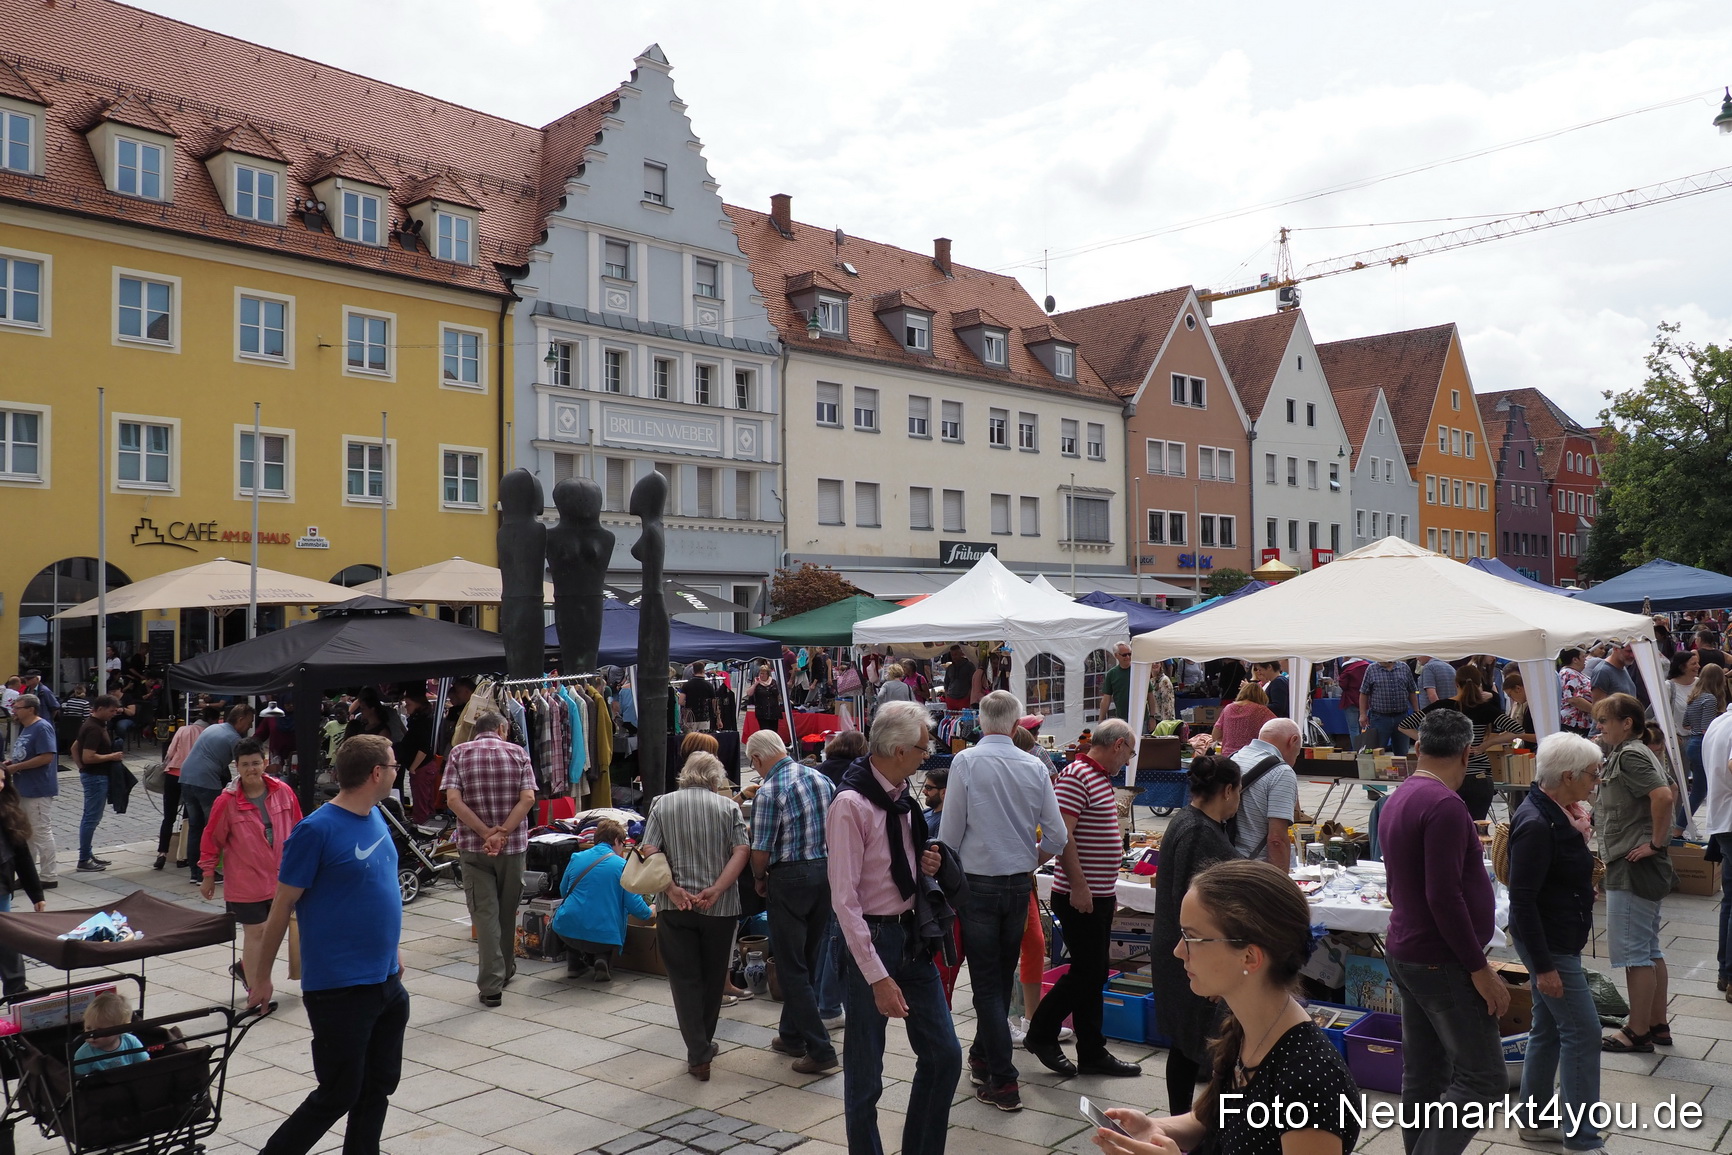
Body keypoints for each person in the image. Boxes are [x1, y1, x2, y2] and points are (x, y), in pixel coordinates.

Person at [1090, 861, 1361, 1155]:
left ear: (1249, 957)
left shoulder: (1308, 1079)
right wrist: (1157, 1130)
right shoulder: (1246, 1027)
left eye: (1192, 937)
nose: (1178, 950)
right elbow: (1219, 1122)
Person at [245, 734, 408, 1155]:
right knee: (338, 1092)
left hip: (387, 983)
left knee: (377, 1089)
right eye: (392, 766)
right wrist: (260, 978)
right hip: (340, 989)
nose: (396, 772)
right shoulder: (315, 830)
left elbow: (379, 888)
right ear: (376, 773)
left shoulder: (378, 815)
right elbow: (281, 907)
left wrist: (393, 951)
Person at [826, 699, 960, 1155]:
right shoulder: (851, 804)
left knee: (944, 1055)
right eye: (924, 748)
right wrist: (877, 976)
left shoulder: (902, 797)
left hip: (911, 936)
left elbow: (896, 863)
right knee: (866, 1076)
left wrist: (928, 861)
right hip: (873, 941)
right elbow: (844, 902)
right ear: (899, 749)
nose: (928, 757)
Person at [1378, 709, 1508, 1155]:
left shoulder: (1401, 796)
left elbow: (1403, 884)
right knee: (1483, 1079)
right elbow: (1444, 896)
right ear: (1468, 753)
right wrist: (1478, 967)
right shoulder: (1445, 805)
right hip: (1440, 957)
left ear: (1418, 746)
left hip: (1409, 947)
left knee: (1425, 1071)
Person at [940, 690, 1067, 1112]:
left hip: (978, 882)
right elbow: (1058, 836)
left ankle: (1004, 1079)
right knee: (994, 980)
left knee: (988, 986)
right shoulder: (1033, 764)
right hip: (1016, 882)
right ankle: (985, 1058)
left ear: (980, 722)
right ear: (1015, 727)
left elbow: (950, 834)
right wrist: (1029, 859)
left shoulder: (966, 761)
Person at [1025, 719, 1142, 1079]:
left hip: (1098, 891)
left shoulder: (1097, 777)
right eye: (1130, 753)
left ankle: (1093, 1050)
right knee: (1088, 972)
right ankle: (1041, 1033)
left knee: (1092, 974)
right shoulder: (1078, 775)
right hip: (1081, 893)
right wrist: (1078, 884)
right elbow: (1064, 836)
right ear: (1118, 744)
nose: (1127, 761)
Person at [1506, 732, 1605, 1152]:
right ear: (1568, 775)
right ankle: (1582, 1139)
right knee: (1583, 1032)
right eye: (1591, 775)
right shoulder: (1537, 823)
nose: (1595, 782)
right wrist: (1544, 967)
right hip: (1550, 945)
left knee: (1547, 1027)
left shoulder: (1557, 812)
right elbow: (1522, 901)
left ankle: (1534, 1119)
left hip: (1556, 938)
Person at [641, 750, 750, 1080]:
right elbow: (741, 850)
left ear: (685, 774)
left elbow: (650, 849)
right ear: (716, 779)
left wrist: (672, 888)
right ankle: (703, 1044)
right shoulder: (728, 807)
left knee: (684, 980)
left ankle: (699, 1052)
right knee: (714, 976)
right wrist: (717, 888)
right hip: (720, 907)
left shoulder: (662, 803)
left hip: (676, 905)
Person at [1150, 754, 1242, 1114]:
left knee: (1189, 1044)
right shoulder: (1197, 831)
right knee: (1200, 1043)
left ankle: (1190, 1125)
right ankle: (1193, 1125)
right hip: (1192, 953)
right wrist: (1206, 965)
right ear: (1229, 790)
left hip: (1190, 950)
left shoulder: (1196, 822)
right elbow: (1192, 908)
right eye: (1239, 793)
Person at [747, 728, 839, 1074]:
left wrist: (758, 878)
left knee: (791, 965)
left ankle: (820, 1049)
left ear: (757, 758)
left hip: (790, 877)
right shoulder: (819, 778)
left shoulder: (770, 791)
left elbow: (761, 850)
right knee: (810, 958)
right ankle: (791, 1034)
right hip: (825, 871)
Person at [1594, 692, 1677, 1054]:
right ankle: (1656, 1024)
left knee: (1634, 954)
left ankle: (1638, 1030)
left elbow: (1664, 796)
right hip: (1636, 860)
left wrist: (1656, 844)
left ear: (1626, 723)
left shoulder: (1629, 754)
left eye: (1604, 721)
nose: (1600, 728)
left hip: (1633, 864)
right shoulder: (1635, 752)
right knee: (1648, 948)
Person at [441, 710, 538, 1007]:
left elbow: (452, 800)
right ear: (502, 728)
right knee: (507, 911)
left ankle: (492, 984)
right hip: (512, 847)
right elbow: (529, 798)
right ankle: (504, 970)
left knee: (485, 915)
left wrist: (485, 833)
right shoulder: (518, 753)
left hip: (474, 846)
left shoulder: (459, 753)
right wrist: (503, 832)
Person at [200, 738, 303, 988]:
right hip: (246, 882)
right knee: (256, 933)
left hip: (280, 878)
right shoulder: (226, 802)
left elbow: (300, 828)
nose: (251, 769)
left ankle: (245, 968)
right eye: (245, 764)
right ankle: (257, 989)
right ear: (236, 766)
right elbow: (212, 838)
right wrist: (208, 873)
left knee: (272, 933)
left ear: (265, 762)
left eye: (256, 763)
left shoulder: (283, 791)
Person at [1398, 663, 1520, 822]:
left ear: (1456, 684)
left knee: (1451, 828)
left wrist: (1431, 740)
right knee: (1478, 830)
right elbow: (1517, 730)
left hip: (1449, 776)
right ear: (1479, 685)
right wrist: (1487, 744)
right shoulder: (1486, 709)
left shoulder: (1441, 706)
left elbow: (1404, 726)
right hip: (1480, 777)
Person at [552, 818, 652, 981]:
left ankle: (574, 963)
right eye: (623, 844)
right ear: (615, 841)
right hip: (604, 935)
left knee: (577, 924)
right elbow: (635, 906)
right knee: (604, 926)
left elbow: (564, 891)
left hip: (566, 929)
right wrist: (650, 911)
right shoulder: (621, 865)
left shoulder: (576, 857)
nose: (622, 849)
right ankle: (601, 959)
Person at [179, 703, 255, 885]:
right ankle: (207, 872)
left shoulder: (215, 728)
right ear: (241, 719)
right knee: (211, 828)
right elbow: (245, 766)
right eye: (250, 722)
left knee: (195, 827)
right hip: (205, 782)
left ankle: (195, 873)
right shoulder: (233, 738)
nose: (250, 727)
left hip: (186, 778)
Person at [1226, 718, 1300, 868]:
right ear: (1293, 741)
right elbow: (1277, 839)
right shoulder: (1282, 772)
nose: (1295, 759)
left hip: (1227, 861)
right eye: (1297, 754)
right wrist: (1280, 885)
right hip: (1256, 868)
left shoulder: (1234, 758)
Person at [4, 694, 59, 890]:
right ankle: (30, 874)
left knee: (41, 831)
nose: (14, 711)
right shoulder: (26, 728)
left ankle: (48, 875)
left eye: (18, 707)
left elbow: (46, 757)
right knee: (27, 833)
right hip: (23, 787)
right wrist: (12, 763)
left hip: (37, 788)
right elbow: (26, 754)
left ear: (30, 709)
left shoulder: (42, 727)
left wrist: (17, 768)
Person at [0, 761, 46, 996]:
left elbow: (23, 856)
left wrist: (36, 893)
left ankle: (17, 990)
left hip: (1, 887)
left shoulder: (7, 811)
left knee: (7, 938)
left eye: (1, 781)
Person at [157, 704, 220, 871]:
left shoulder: (183, 729)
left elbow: (170, 752)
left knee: (168, 816)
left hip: (173, 773)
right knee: (189, 819)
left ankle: (162, 853)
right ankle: (182, 856)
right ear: (213, 720)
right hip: (193, 777)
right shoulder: (209, 734)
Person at [71, 694, 124, 873]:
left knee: (91, 817)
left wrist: (81, 769)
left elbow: (74, 748)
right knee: (91, 818)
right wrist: (112, 756)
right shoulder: (94, 728)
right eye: (111, 711)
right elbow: (88, 756)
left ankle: (87, 853)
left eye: (116, 711)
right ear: (100, 708)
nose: (113, 714)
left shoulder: (94, 724)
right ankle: (84, 858)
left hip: (93, 775)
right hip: (96, 777)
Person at [1702, 706, 1732, 1000]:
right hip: (1730, 819)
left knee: (1729, 901)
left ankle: (1726, 972)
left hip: (1723, 819)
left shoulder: (1720, 721)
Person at [1682, 665, 1727, 818]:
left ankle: (1681, 824)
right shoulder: (1710, 699)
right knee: (1700, 791)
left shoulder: (1694, 697)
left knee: (1699, 789)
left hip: (1692, 742)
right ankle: (1680, 827)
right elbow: (1706, 729)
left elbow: (1685, 723)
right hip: (1702, 744)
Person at [74, 991, 148, 1074]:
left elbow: (146, 1066)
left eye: (100, 1031)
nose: (92, 1035)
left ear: (121, 1029)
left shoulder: (130, 1042)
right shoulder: (83, 1054)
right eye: (88, 1028)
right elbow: (79, 1081)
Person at [1358, 659, 1419, 754]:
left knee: (1402, 753)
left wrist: (1416, 711)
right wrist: (1362, 714)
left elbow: (1412, 690)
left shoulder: (1404, 668)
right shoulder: (1372, 669)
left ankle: (1400, 769)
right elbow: (1363, 693)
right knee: (1376, 752)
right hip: (1379, 718)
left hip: (1402, 717)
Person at [1210, 682, 1275, 759]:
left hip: (1228, 757)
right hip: (1252, 757)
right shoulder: (1261, 710)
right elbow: (1277, 728)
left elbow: (1215, 735)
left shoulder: (1228, 708)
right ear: (1262, 696)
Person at [1557, 649, 1594, 735]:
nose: (1586, 659)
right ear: (1575, 660)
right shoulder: (1568, 673)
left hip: (1582, 724)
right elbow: (1574, 699)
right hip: (1573, 724)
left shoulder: (1576, 673)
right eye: (1583, 656)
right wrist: (1597, 711)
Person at [1665, 650, 1701, 737]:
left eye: (1698, 663)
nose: (1698, 666)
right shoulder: (1668, 686)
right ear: (1682, 667)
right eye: (1693, 664)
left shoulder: (1700, 683)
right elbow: (1664, 715)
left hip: (1699, 738)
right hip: (1679, 740)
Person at [745, 662, 787, 734]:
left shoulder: (773, 682)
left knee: (774, 732)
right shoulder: (757, 683)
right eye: (761, 673)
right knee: (764, 731)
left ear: (768, 674)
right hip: (762, 712)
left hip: (773, 711)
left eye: (764, 673)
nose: (762, 675)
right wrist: (755, 684)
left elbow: (778, 694)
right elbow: (749, 693)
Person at [1337, 658, 1369, 750]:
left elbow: (1343, 684)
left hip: (1350, 700)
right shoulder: (1367, 666)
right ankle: (1364, 749)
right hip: (1365, 701)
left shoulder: (1347, 668)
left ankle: (1357, 750)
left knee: (1353, 728)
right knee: (1363, 728)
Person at [681, 661, 720, 732]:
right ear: (703, 670)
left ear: (693, 671)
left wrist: (688, 704)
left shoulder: (686, 685)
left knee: (691, 740)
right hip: (704, 718)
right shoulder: (709, 685)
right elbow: (714, 703)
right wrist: (718, 719)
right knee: (702, 740)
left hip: (690, 717)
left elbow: (680, 701)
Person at [1101, 645, 1135, 722]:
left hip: (1140, 717)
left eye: (1129, 654)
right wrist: (1101, 719)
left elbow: (1149, 694)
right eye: (1124, 655)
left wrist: (1152, 716)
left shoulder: (1137, 671)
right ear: (1116, 655)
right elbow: (1106, 698)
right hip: (1121, 719)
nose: (1127, 657)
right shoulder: (1112, 674)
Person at [942, 645, 976, 713]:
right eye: (952, 655)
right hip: (951, 698)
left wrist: (968, 697)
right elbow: (946, 683)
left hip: (964, 698)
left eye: (956, 654)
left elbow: (973, 683)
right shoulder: (950, 667)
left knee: (962, 721)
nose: (954, 657)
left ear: (961, 653)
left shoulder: (969, 666)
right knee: (950, 721)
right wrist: (947, 697)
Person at [920, 766, 948, 837]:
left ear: (944, 792)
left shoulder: (943, 822)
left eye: (928, 788)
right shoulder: (927, 812)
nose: (924, 791)